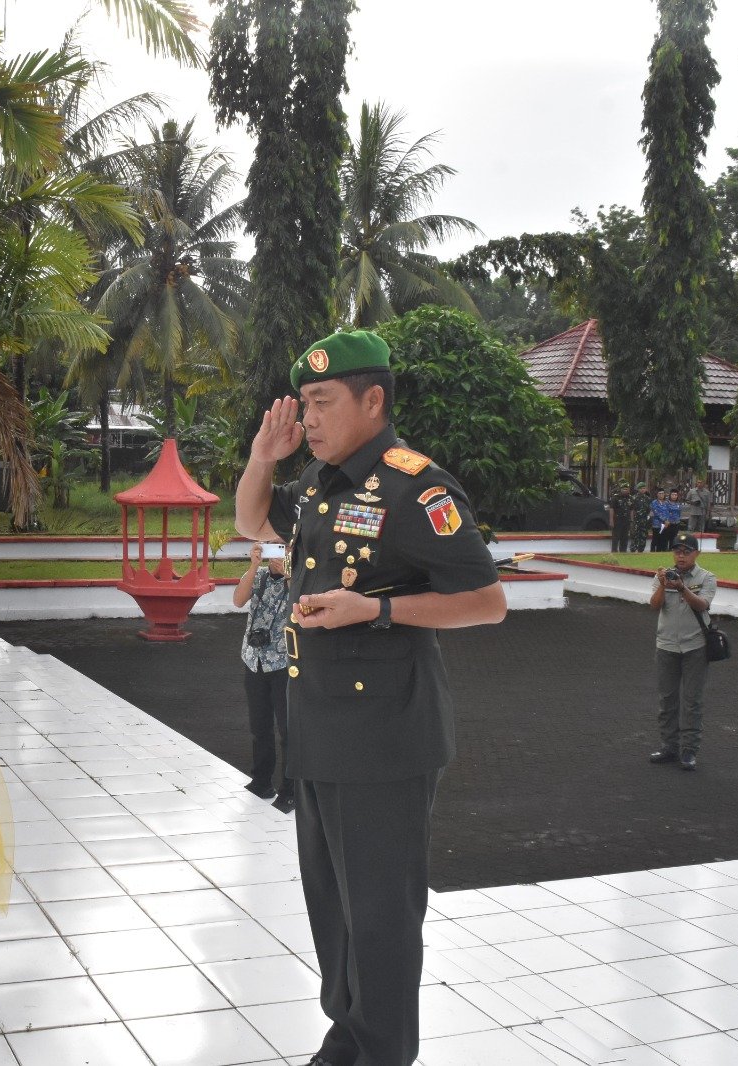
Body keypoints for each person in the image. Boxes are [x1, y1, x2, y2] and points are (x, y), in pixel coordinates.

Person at [235, 329, 507, 1066]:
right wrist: (263, 458)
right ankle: (347, 1035)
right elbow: (251, 521)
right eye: (305, 403)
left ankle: (382, 1050)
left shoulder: (418, 487)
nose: (309, 419)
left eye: (323, 402)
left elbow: (487, 602)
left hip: (385, 739)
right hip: (319, 730)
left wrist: (378, 610)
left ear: (373, 400)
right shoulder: (321, 483)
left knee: (382, 916)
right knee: (332, 908)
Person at [647, 532, 717, 772]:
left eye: (686, 552)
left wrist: (682, 588)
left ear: (696, 554)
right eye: (677, 551)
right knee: (667, 700)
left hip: (695, 646)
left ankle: (689, 750)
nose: (681, 556)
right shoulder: (663, 576)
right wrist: (663, 585)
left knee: (692, 701)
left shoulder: (707, 577)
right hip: (666, 646)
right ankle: (669, 747)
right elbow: (654, 605)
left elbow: (702, 604)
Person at [234, 540, 293, 813]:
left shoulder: (299, 579)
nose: (277, 555)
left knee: (288, 731)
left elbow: (301, 603)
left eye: (284, 549)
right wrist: (253, 565)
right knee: (259, 727)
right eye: (274, 548)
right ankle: (261, 781)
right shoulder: (257, 575)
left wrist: (289, 574)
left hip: (284, 663)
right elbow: (238, 600)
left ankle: (291, 790)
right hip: (254, 660)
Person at [607, 481, 633, 552]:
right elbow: (611, 509)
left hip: (626, 521)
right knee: (615, 538)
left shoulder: (630, 498)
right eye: (624, 489)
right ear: (620, 489)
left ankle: (623, 553)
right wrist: (611, 520)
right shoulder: (615, 497)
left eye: (626, 489)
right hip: (617, 521)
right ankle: (614, 552)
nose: (625, 490)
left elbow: (631, 510)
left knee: (625, 538)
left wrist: (631, 520)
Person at [629, 483, 653, 552]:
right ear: (638, 489)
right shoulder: (633, 498)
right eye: (641, 488)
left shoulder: (648, 499)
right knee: (634, 536)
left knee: (643, 537)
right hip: (636, 521)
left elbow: (649, 510)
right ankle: (633, 551)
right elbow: (631, 510)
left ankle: (641, 551)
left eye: (644, 488)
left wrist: (649, 519)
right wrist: (632, 521)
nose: (642, 490)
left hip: (644, 521)